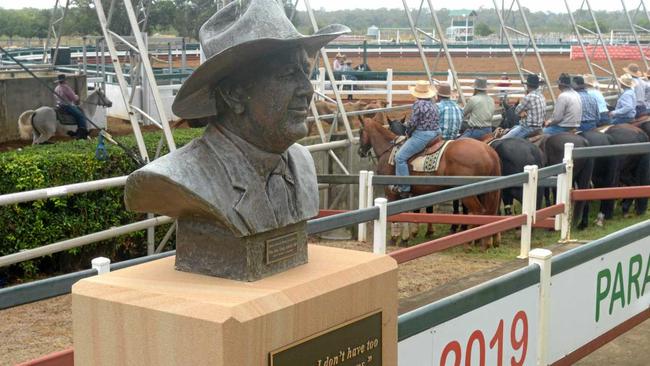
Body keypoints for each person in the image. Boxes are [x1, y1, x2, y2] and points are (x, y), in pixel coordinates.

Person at [124, 0, 350, 279]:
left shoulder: (301, 161)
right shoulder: (178, 176)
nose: (307, 89)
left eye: (306, 72)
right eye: (288, 74)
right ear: (234, 94)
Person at [391, 80, 439, 196]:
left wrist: (407, 132)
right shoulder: (433, 104)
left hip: (422, 136)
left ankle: (404, 187)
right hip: (436, 134)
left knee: (400, 157)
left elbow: (413, 123)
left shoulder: (418, 104)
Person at [502, 74, 546, 139]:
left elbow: (517, 111)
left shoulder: (528, 97)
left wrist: (523, 113)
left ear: (528, 86)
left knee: (503, 139)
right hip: (539, 127)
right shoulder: (542, 96)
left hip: (527, 128)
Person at [54, 74, 88, 139]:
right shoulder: (66, 87)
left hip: (59, 106)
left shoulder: (57, 88)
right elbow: (73, 98)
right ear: (65, 80)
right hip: (67, 106)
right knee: (81, 116)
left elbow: (55, 97)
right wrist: (77, 97)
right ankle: (81, 133)